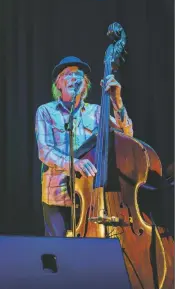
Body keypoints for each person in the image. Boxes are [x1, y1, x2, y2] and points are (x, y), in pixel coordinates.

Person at [35, 56, 133, 237]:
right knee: (58, 253)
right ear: (58, 84)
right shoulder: (45, 111)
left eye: (78, 75)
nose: (74, 78)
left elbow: (126, 138)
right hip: (56, 194)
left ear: (85, 84)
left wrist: (116, 101)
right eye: (67, 74)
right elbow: (44, 151)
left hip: (89, 197)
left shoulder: (96, 111)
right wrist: (74, 163)